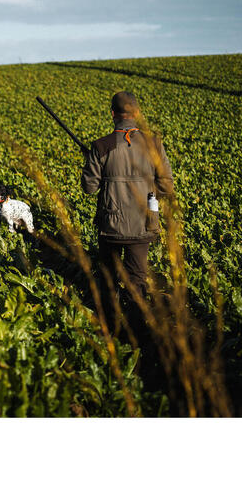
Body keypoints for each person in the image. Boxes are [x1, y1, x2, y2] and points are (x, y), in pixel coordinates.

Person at [80, 90, 174, 331]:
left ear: (113, 114)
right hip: (144, 225)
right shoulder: (154, 144)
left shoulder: (101, 146)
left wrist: (95, 166)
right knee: (137, 280)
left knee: (109, 279)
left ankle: (110, 330)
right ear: (137, 113)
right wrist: (149, 196)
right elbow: (166, 185)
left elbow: (89, 188)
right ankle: (137, 332)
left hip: (111, 227)